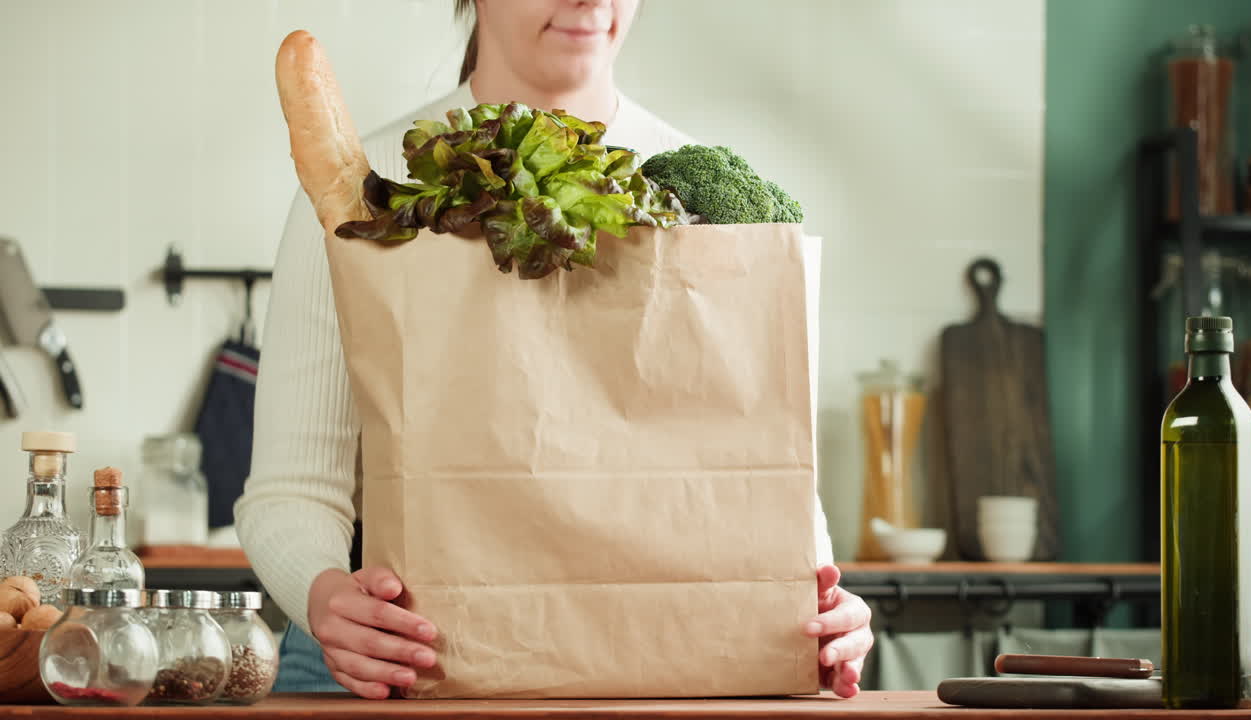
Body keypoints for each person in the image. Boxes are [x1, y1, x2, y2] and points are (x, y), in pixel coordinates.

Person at [236, 0, 873, 700]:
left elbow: (762, 477)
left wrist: (818, 608)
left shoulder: (698, 198)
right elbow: (291, 493)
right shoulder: (366, 189)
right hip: (391, 668)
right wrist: (327, 600)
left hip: (662, 665)